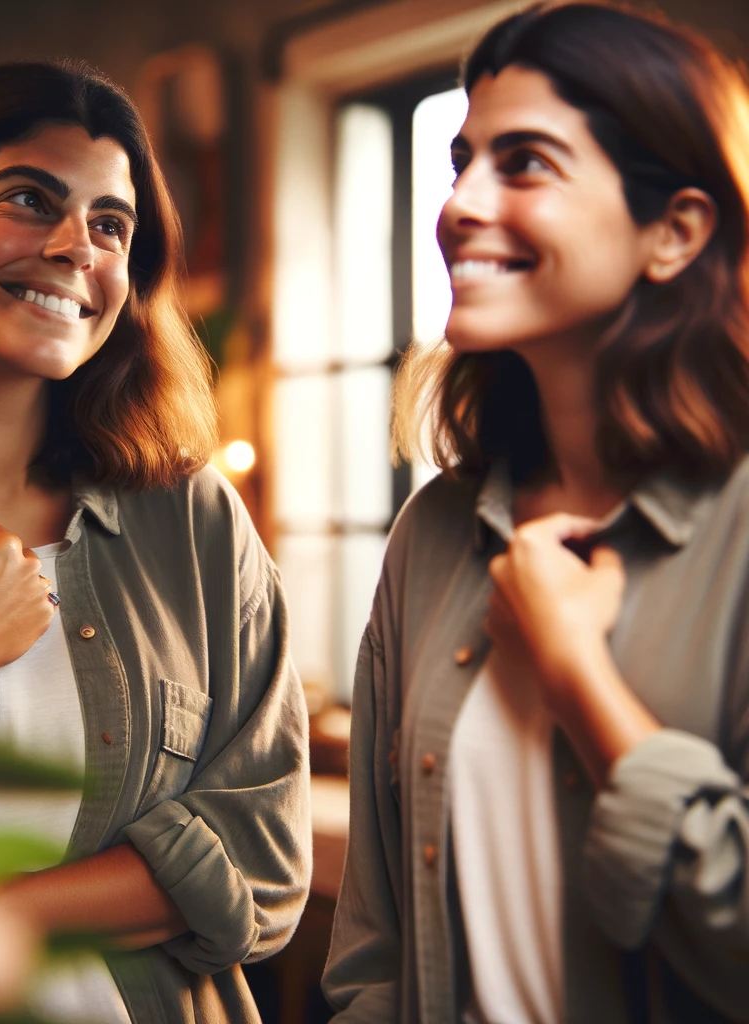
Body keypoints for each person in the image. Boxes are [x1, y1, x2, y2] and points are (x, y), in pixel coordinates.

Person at [323, 3, 749, 1022]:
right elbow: (374, 950)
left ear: (674, 230)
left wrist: (575, 672)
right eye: (461, 159)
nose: (459, 203)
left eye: (524, 164)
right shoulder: (430, 533)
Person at [0, 60, 311, 1024]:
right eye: (29, 198)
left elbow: (266, 851)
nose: (77, 246)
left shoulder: (191, 514)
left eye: (111, 225)